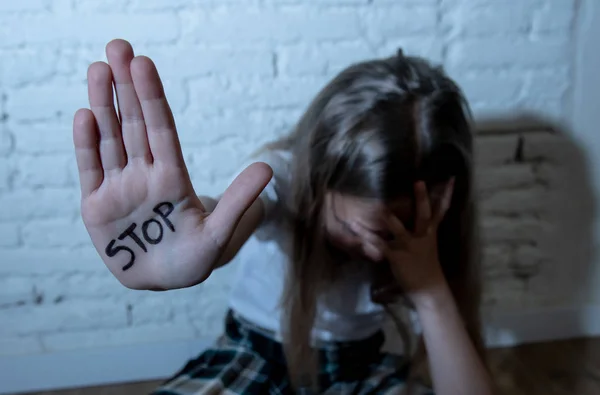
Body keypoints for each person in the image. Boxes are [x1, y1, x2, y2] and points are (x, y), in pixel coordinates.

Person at [72, 38, 495, 395]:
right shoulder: (287, 178)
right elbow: (231, 217)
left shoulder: (433, 222)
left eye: (392, 235)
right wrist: (185, 238)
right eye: (355, 228)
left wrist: (429, 288)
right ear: (318, 180)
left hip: (361, 367)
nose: (373, 250)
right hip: (255, 353)